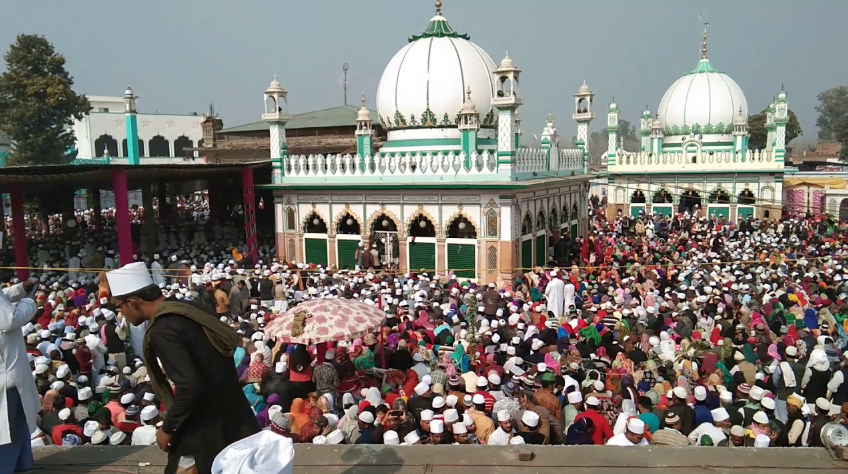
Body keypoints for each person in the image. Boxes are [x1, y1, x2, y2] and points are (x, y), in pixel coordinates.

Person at [106, 262, 259, 474]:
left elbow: (190, 386)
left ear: (133, 302)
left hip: (209, 427)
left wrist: (167, 429)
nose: (121, 312)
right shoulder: (190, 309)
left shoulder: (163, 330)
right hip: (233, 415)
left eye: (120, 306)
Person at [0, 279, 39, 474]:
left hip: (11, 374)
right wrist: (30, 301)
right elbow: (9, 320)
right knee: (9, 430)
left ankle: (22, 465)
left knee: (19, 423)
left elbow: (1, 297)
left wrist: (19, 289)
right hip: (7, 378)